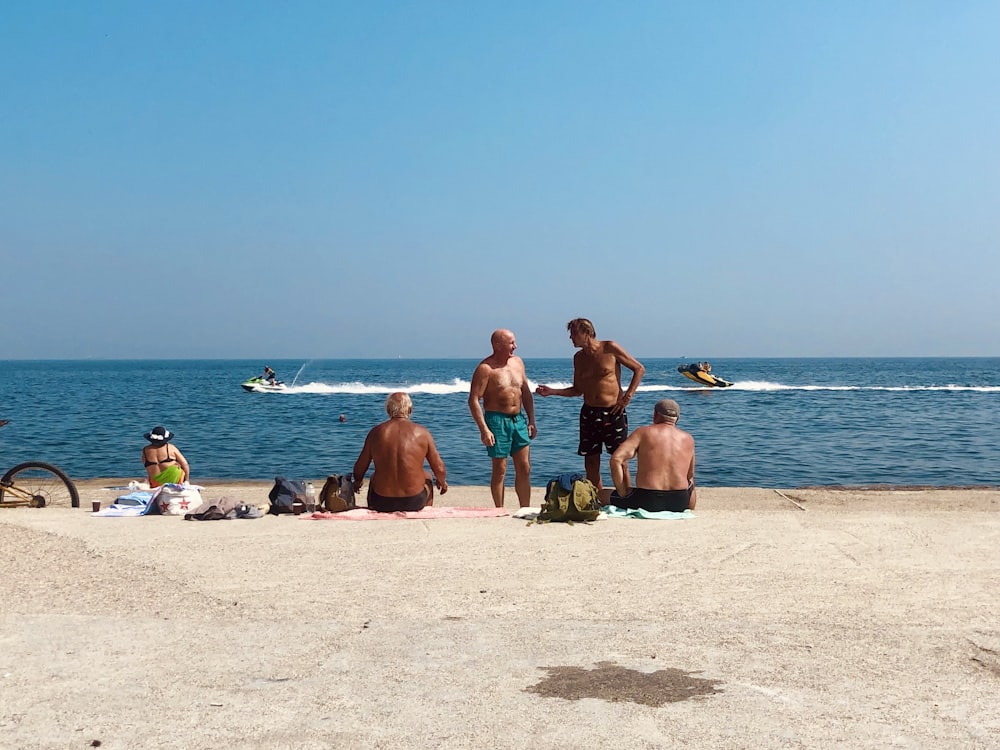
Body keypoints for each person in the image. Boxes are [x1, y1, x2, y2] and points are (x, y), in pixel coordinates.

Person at [535, 318, 645, 490]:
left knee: (620, 459)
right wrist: (553, 391)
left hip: (613, 411)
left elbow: (639, 369)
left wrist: (627, 397)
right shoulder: (578, 358)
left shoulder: (610, 348)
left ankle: (626, 498)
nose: (571, 338)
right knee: (591, 462)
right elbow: (577, 390)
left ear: (587, 333)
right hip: (589, 413)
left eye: (574, 334)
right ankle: (595, 500)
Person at [468, 329, 536, 507]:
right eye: (511, 343)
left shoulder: (518, 363)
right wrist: (484, 429)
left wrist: (531, 420)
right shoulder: (486, 369)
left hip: (518, 420)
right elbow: (474, 399)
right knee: (500, 469)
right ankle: (499, 509)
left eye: (515, 342)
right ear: (497, 345)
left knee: (525, 467)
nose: (515, 346)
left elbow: (526, 393)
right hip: (497, 421)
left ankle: (525, 508)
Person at [353, 392, 448, 513]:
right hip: (414, 501)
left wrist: (357, 481)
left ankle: (372, 507)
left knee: (373, 477)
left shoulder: (376, 432)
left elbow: (360, 467)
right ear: (410, 409)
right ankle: (426, 511)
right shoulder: (422, 433)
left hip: (381, 502)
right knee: (428, 476)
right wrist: (442, 482)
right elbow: (439, 468)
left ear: (388, 409)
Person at [607, 399, 697, 512]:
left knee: (601, 494)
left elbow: (616, 459)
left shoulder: (643, 432)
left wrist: (622, 492)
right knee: (689, 479)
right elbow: (690, 475)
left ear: (655, 415)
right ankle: (690, 506)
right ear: (677, 418)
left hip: (648, 500)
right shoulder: (688, 438)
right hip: (679, 501)